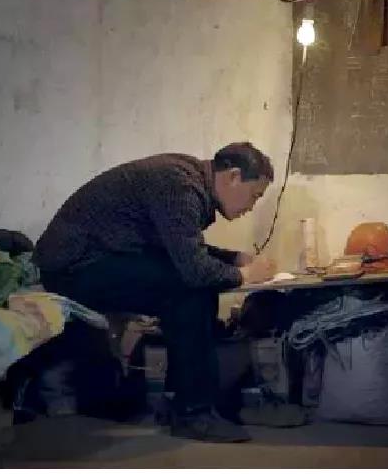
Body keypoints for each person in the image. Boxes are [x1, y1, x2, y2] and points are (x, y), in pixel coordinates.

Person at [33, 142, 277, 442]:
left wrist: (234, 258)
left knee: (191, 288)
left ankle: (188, 401)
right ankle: (193, 414)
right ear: (233, 176)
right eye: (255, 195)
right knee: (190, 292)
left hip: (96, 259)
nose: (252, 206)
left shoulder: (187, 181)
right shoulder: (180, 186)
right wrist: (244, 275)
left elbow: (178, 246)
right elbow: (193, 268)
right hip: (72, 267)